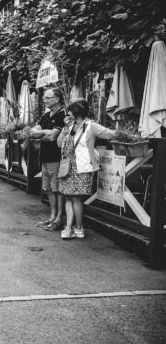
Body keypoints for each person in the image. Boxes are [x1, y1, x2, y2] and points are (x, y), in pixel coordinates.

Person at [57, 99, 115, 240]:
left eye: (69, 113)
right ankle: (69, 227)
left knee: (76, 198)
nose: (68, 115)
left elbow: (110, 134)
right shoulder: (70, 127)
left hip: (82, 167)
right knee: (68, 197)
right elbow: (59, 144)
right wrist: (64, 131)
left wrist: (131, 136)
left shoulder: (91, 126)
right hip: (67, 167)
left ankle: (79, 227)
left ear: (77, 112)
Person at [29, 88, 66, 231]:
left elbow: (53, 136)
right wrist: (43, 133)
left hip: (56, 157)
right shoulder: (46, 115)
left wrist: (40, 134)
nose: (44, 100)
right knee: (49, 189)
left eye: (47, 98)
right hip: (44, 156)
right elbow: (33, 133)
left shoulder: (62, 114)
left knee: (57, 189)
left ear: (56, 99)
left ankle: (59, 218)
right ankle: (52, 216)